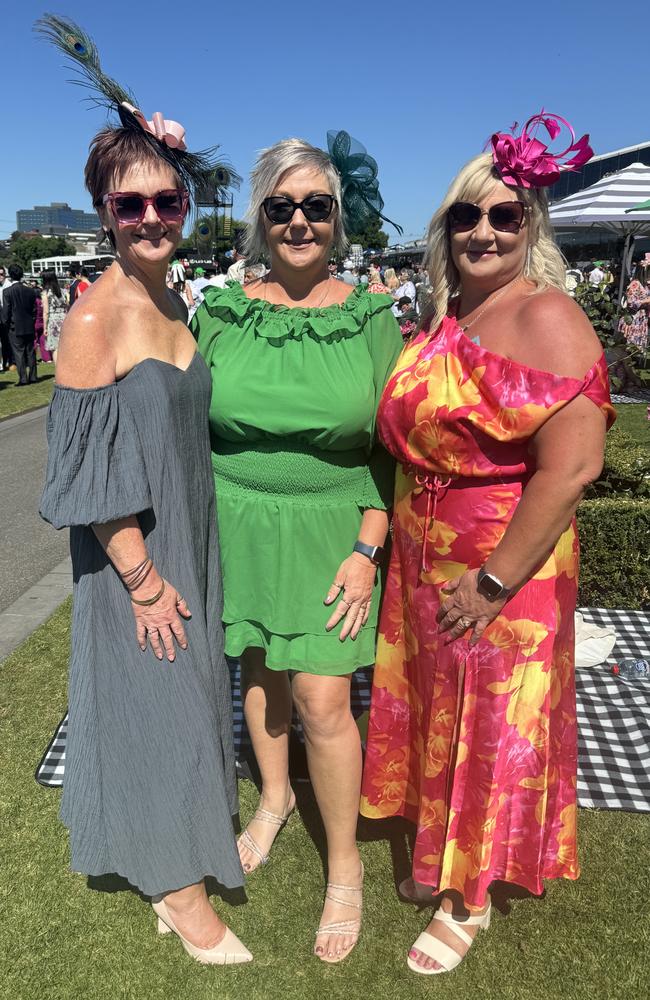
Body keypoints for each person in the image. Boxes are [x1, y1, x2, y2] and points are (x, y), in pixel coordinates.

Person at [360, 111, 614, 975]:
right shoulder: (448, 315)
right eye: (465, 216)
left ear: (532, 225)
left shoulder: (547, 316)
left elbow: (574, 468)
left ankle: (469, 900)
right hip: (427, 554)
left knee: (492, 720)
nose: (482, 231)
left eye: (505, 215)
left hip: (507, 562)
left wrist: (497, 581)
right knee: (444, 714)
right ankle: (442, 855)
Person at [36, 14, 250, 966]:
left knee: (191, 694)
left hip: (187, 530)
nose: (155, 218)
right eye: (134, 208)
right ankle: (175, 887)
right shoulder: (94, 319)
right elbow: (79, 474)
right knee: (156, 702)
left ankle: (186, 845)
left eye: (169, 201)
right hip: (137, 553)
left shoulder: (173, 299)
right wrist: (142, 578)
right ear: (104, 215)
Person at [192, 132, 403, 964]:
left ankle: (344, 866)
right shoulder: (221, 309)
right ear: (260, 219)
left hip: (332, 530)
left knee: (322, 699)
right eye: (281, 208)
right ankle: (275, 798)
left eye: (316, 206)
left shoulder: (372, 314)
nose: (299, 222)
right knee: (258, 672)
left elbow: (394, 444)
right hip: (237, 520)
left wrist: (368, 547)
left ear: (337, 218)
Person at [1, 264, 38, 385]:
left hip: (14, 326)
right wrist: (32, 321)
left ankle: (23, 378)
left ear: (10, 276)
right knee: (30, 351)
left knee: (18, 353)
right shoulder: (30, 291)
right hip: (28, 324)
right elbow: (34, 309)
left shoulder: (7, 292)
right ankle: (33, 376)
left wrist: (5, 324)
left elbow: (6, 311)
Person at [618, 270, 650, 352]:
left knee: (638, 347)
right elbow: (631, 303)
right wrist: (646, 301)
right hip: (635, 318)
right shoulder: (635, 283)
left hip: (642, 318)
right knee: (631, 346)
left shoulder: (646, 284)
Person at [0, 265, 15, 370]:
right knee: (3, 342)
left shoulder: (9, 286)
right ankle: (5, 361)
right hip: (1, 317)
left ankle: (11, 361)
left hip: (9, 317)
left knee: (9, 341)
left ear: (5, 274)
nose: (0, 276)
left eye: (1, 274)